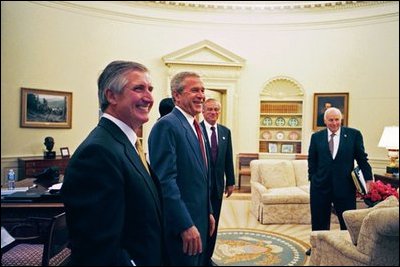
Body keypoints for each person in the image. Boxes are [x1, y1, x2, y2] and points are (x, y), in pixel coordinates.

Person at [61, 61, 167, 266]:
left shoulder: (125, 143)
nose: (149, 98)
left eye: (150, 89)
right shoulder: (98, 152)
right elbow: (98, 248)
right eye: (139, 88)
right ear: (111, 96)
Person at [148, 71, 215, 266]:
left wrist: (208, 210)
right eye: (194, 90)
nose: (201, 95)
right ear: (176, 95)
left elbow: (201, 175)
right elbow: (165, 181)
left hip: (200, 218)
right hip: (183, 227)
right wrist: (184, 224)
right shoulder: (167, 126)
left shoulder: (197, 126)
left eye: (202, 90)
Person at [307, 107, 373, 256]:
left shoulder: (353, 135)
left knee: (347, 218)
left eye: (337, 119)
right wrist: (312, 177)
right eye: (331, 120)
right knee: (319, 218)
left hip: (345, 186)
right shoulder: (316, 137)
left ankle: (348, 247)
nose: (334, 123)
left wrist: (369, 179)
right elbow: (312, 159)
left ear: (341, 119)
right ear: (325, 121)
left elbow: (362, 159)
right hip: (320, 185)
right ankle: (317, 247)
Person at [200, 98, 235, 266]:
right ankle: (199, 256)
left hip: (218, 187)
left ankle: (208, 258)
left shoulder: (225, 131)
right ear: (203, 111)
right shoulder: (196, 129)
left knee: (215, 224)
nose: (213, 113)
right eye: (210, 110)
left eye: (216, 110)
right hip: (201, 188)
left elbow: (228, 157)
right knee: (202, 222)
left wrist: (231, 181)